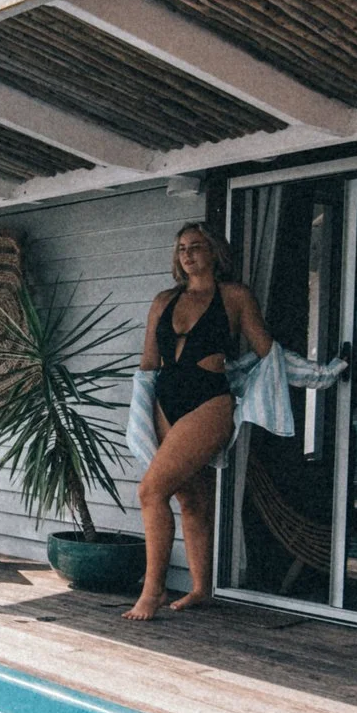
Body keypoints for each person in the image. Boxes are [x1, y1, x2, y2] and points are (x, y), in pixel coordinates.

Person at [124, 222, 271, 621]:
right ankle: (202, 589)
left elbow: (266, 352)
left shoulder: (234, 296)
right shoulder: (163, 300)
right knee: (192, 498)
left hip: (209, 401)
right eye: (182, 248)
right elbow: (149, 363)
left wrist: (314, 374)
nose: (187, 254)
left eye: (196, 246)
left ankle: (152, 591)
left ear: (214, 252)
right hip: (166, 401)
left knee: (151, 491)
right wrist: (142, 411)